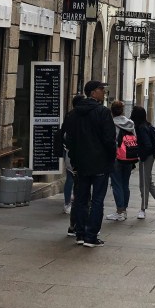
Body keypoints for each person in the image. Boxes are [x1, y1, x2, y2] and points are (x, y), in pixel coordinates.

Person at [62, 80, 117, 247]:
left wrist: (74, 159)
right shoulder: (103, 112)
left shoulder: (74, 114)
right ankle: (91, 236)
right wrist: (111, 158)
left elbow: (69, 139)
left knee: (81, 199)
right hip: (100, 163)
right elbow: (109, 139)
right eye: (101, 89)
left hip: (81, 163)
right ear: (93, 92)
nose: (104, 92)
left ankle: (80, 234)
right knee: (97, 200)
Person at [131, 105, 155, 220]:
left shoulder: (141, 128)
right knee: (148, 182)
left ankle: (143, 209)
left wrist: (141, 156)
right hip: (149, 156)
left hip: (146, 157)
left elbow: (147, 145)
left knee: (143, 184)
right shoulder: (146, 125)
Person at [106, 100, 137, 222]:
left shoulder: (110, 123)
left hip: (116, 157)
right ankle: (124, 210)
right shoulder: (130, 123)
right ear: (122, 111)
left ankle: (119, 212)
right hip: (129, 157)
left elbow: (110, 141)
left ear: (112, 111)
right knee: (125, 183)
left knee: (116, 184)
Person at [59, 93, 84, 222]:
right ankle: (69, 202)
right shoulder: (77, 116)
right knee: (73, 178)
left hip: (68, 149)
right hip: (73, 150)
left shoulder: (69, 115)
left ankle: (68, 202)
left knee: (70, 177)